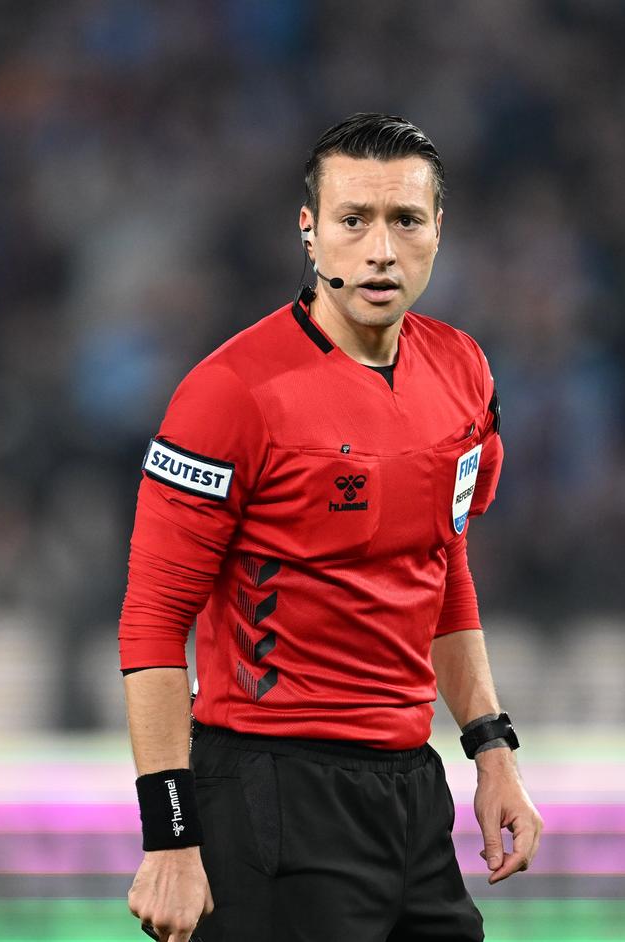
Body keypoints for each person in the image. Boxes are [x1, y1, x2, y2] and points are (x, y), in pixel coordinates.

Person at [119, 113, 542, 942]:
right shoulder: (229, 393)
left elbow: (442, 564)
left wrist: (491, 749)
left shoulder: (464, 372)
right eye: (354, 220)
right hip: (272, 793)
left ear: (437, 232)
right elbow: (152, 621)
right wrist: (170, 834)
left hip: (411, 793)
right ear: (309, 233)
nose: (381, 249)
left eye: (405, 221)